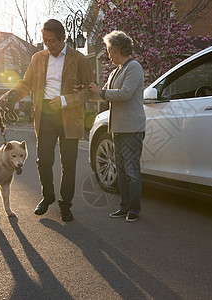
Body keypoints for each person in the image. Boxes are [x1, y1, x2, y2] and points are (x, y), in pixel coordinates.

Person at [0, 19, 92, 222]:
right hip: (45, 114)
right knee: (43, 161)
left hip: (69, 115)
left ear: (63, 38)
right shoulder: (38, 58)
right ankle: (47, 196)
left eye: (51, 41)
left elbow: (88, 90)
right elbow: (26, 83)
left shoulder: (79, 59)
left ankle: (65, 204)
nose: (48, 45)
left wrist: (67, 100)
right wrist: (11, 96)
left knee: (68, 164)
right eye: (44, 40)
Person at [88, 31, 145, 222]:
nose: (108, 54)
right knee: (120, 169)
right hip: (117, 128)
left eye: (110, 50)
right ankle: (123, 207)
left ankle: (134, 209)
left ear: (120, 49)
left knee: (131, 170)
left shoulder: (134, 67)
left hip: (131, 128)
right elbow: (104, 94)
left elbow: (124, 94)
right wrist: (87, 92)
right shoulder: (115, 71)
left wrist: (101, 92)